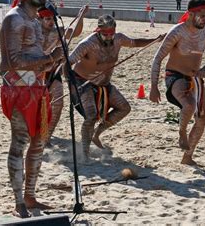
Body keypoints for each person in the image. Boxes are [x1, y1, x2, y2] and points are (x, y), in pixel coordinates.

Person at [0, 0, 64, 218]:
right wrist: (48, 59)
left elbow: (38, 61)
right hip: (18, 90)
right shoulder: (14, 19)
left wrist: (52, 60)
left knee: (38, 143)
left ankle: (30, 196)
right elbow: (14, 60)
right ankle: (19, 203)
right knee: (20, 142)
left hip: (38, 88)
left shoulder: (36, 22)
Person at [65, 15, 165, 160]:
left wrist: (155, 39)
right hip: (83, 83)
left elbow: (135, 42)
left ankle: (97, 134)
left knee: (124, 107)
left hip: (104, 84)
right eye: (105, 34)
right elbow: (67, 64)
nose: (108, 37)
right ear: (98, 31)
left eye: (111, 33)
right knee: (91, 116)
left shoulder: (119, 39)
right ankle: (85, 152)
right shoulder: (87, 44)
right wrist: (70, 83)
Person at [149, 0, 205, 165]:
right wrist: (153, 87)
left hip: (195, 77)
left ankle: (188, 157)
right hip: (175, 75)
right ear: (190, 14)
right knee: (189, 105)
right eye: (202, 16)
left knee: (203, 118)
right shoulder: (177, 31)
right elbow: (157, 59)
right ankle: (181, 131)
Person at [37, 4, 89, 145]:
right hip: (34, 75)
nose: (51, 21)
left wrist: (81, 16)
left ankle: (46, 137)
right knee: (36, 107)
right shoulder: (31, 32)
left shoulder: (57, 32)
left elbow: (75, 32)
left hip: (52, 73)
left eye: (52, 18)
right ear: (39, 19)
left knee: (58, 103)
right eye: (47, 19)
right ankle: (36, 134)